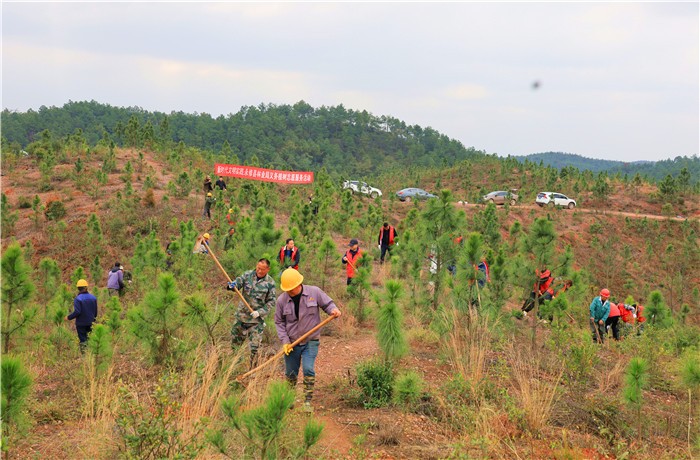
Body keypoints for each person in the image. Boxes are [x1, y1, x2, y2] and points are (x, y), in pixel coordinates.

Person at [275, 268, 342, 412]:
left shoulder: (314, 292)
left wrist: (333, 310)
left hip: (310, 341)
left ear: (298, 284)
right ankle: (289, 399)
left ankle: (307, 402)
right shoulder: (281, 300)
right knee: (291, 373)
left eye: (291, 289)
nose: (289, 292)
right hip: (292, 343)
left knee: (308, 369)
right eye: (287, 289)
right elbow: (279, 322)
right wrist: (285, 341)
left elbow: (328, 304)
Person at [227, 258, 276, 367]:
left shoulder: (270, 283)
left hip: (256, 321)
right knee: (235, 345)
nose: (259, 271)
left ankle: (253, 372)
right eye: (258, 268)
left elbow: (271, 301)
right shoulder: (247, 275)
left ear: (268, 269)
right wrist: (232, 285)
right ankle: (236, 367)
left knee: (254, 348)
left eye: (262, 269)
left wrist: (260, 312)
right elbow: (238, 284)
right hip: (241, 317)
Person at [65, 279, 98, 353]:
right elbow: (95, 312)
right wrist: (94, 320)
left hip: (81, 323)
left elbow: (77, 312)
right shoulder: (93, 298)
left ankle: (84, 355)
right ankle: (91, 353)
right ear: (86, 287)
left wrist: (69, 317)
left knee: (83, 340)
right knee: (90, 338)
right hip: (91, 322)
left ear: (78, 288)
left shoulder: (78, 299)